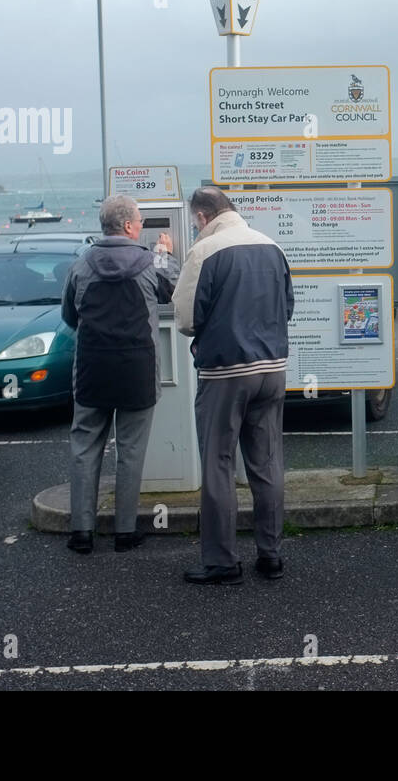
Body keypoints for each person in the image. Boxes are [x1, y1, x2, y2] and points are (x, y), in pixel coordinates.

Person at [173, 186, 293, 585]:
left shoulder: (205, 252)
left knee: (218, 464)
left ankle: (223, 561)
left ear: (202, 216)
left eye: (195, 223)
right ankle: (271, 554)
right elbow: (287, 307)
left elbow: (187, 318)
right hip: (272, 370)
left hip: (225, 373)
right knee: (267, 461)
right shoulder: (272, 246)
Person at [62, 195, 179, 554]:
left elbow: (69, 316)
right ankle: (125, 532)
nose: (142, 226)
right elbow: (173, 290)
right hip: (136, 370)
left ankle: (82, 532)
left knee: (84, 448)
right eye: (141, 221)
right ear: (128, 226)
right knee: (130, 451)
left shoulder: (81, 265)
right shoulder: (149, 263)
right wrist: (165, 253)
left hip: (92, 370)